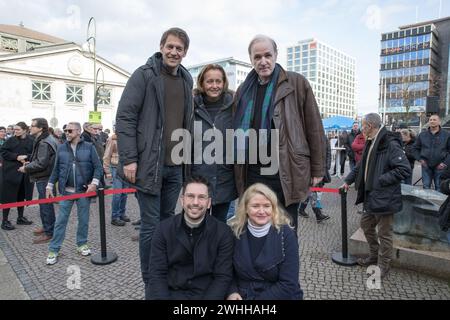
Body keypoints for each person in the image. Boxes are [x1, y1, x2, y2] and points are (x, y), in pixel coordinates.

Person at [115, 27, 193, 297]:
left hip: (176, 166)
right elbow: (125, 117)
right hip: (148, 165)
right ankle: (151, 280)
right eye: (170, 46)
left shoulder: (186, 78)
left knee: (167, 221)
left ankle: (163, 270)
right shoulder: (144, 75)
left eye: (179, 49)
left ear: (185, 53)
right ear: (161, 47)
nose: (174, 52)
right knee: (150, 225)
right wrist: (129, 159)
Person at [233, 35, 325, 233]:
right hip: (252, 172)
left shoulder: (296, 83)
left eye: (267, 55)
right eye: (257, 57)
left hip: (286, 170)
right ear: (251, 59)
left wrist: (318, 169)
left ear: (276, 55)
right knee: (256, 228)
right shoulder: (243, 90)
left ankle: (286, 264)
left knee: (286, 229)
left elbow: (314, 127)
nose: (263, 61)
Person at [342, 113, 411, 279]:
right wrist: (347, 181)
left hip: (385, 197)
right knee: (366, 225)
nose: (361, 128)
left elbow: (404, 169)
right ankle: (374, 255)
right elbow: (361, 165)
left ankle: (383, 265)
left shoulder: (390, 143)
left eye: (363, 125)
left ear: (370, 126)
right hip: (372, 196)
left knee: (384, 234)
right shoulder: (371, 141)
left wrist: (380, 179)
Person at [147, 175, 234, 300]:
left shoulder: (223, 233)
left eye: (201, 197)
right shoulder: (162, 229)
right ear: (182, 200)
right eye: (190, 196)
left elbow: (222, 277)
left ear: (209, 203)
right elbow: (157, 274)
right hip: (171, 293)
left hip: (206, 295)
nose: (195, 202)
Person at [227, 183, 303, 300]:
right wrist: (232, 291)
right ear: (246, 208)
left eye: (267, 206)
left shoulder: (286, 234)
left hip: (278, 296)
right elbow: (226, 270)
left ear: (273, 208)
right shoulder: (234, 231)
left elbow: (289, 283)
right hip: (242, 294)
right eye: (255, 206)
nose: (261, 211)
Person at [45, 122, 103, 265]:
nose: (67, 133)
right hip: (66, 192)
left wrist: (94, 184)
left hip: (83, 191)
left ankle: (82, 244)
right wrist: (49, 186)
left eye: (70, 130)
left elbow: (98, 167)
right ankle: (54, 249)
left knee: (83, 220)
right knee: (60, 221)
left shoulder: (89, 147)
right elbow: (56, 169)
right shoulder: (61, 148)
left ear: (78, 131)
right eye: (65, 131)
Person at [190, 64, 237, 222]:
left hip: (224, 178)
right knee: (196, 225)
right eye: (210, 81)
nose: (214, 85)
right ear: (202, 83)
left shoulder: (235, 106)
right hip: (198, 178)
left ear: (224, 83)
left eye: (218, 81)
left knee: (219, 225)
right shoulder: (191, 106)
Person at [19, 118, 58, 243]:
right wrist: (30, 159)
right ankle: (47, 226)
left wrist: (26, 168)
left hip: (44, 177)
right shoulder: (44, 139)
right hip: (45, 176)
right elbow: (40, 158)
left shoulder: (44, 142)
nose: (30, 127)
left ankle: (49, 232)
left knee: (46, 205)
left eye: (33, 126)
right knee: (45, 204)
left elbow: (41, 163)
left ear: (40, 128)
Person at [0, 122, 34, 230]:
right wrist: (16, 157)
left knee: (22, 195)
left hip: (25, 172)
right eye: (14, 130)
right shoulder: (10, 140)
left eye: (18, 129)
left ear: (25, 130)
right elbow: (3, 152)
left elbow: (34, 154)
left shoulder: (31, 140)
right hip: (10, 172)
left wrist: (26, 157)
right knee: (7, 197)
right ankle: (4, 221)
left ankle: (20, 218)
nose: (15, 131)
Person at [298, 133, 331, 223]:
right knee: (313, 192)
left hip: (322, 169)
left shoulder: (324, 138)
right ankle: (318, 214)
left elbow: (328, 152)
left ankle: (301, 209)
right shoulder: (307, 137)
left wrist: (327, 166)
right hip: (310, 170)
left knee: (312, 191)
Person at [412, 115, 450, 192]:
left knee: (439, 188)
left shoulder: (447, 135)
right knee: (426, 187)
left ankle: (439, 204)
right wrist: (420, 159)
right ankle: (427, 204)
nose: (432, 121)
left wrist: (445, 163)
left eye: (434, 120)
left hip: (441, 166)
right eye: (430, 120)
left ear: (439, 122)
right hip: (426, 165)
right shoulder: (422, 135)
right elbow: (414, 148)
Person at [103, 129, 130, 226]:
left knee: (124, 193)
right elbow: (106, 156)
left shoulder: (129, 138)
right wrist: (108, 172)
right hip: (115, 168)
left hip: (126, 168)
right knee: (117, 194)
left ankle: (122, 213)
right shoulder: (112, 139)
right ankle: (114, 217)